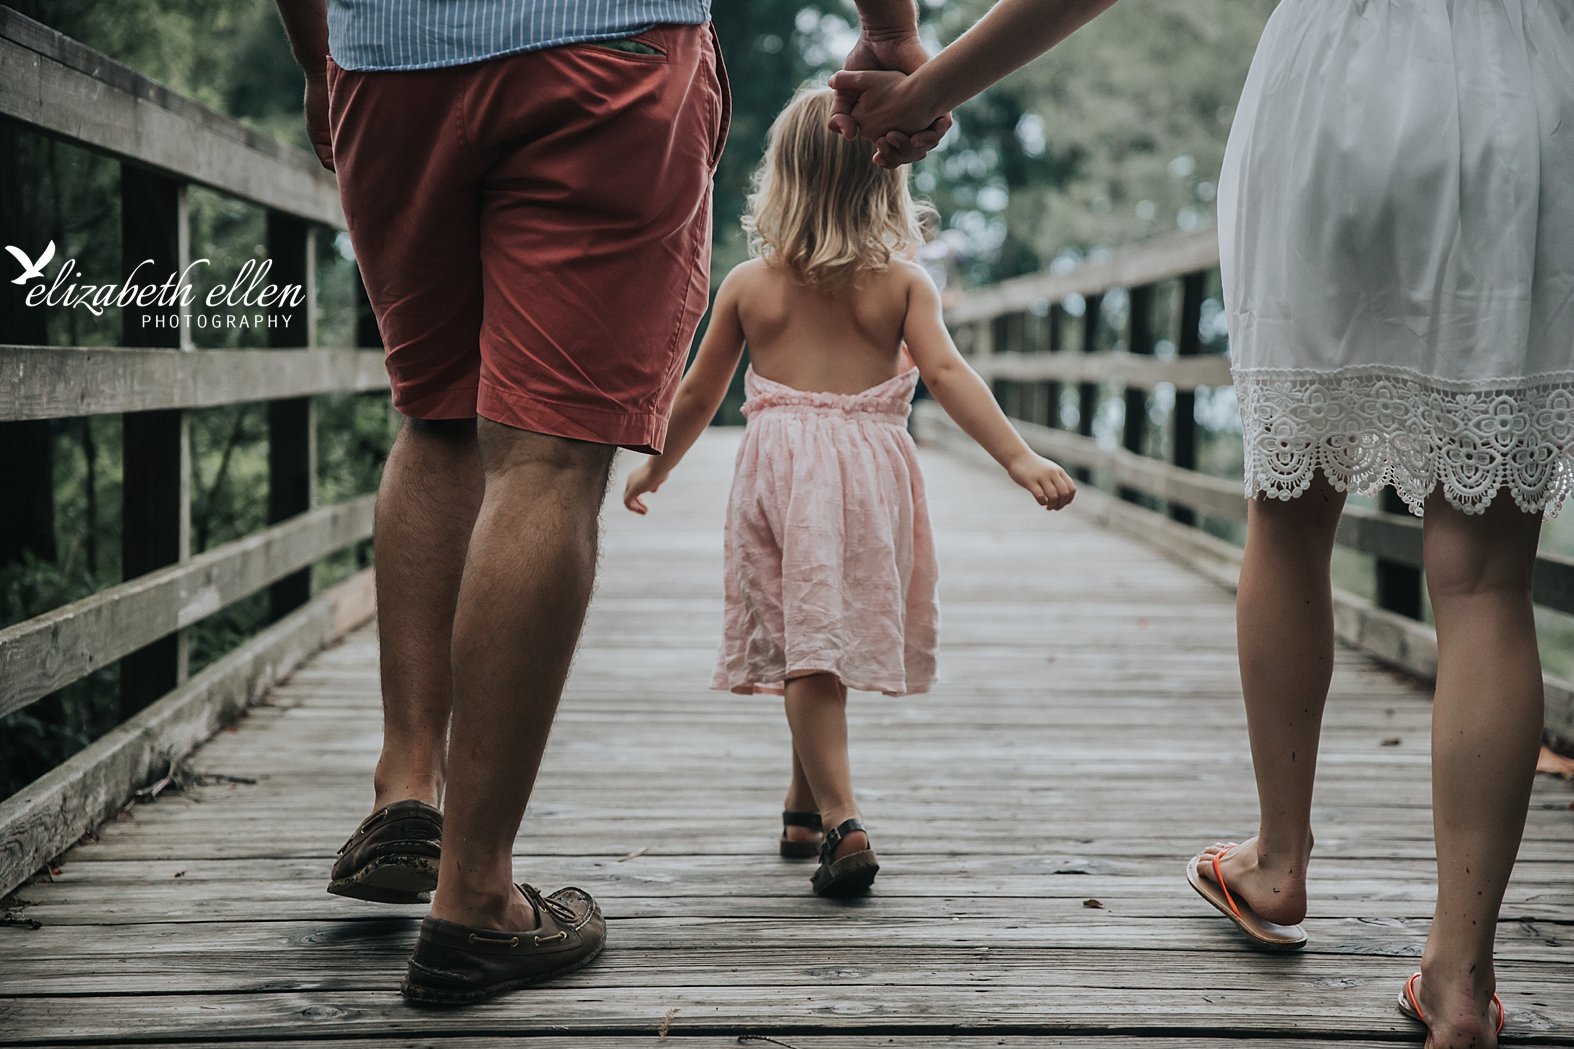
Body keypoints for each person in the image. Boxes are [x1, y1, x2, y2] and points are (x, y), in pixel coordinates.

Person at [831, 3, 1573, 1046]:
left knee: (1289, 509)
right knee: (1485, 576)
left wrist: (923, 88)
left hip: (1333, 86)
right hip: (1522, 92)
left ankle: (1276, 862)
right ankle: (1459, 977)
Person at [268, 0, 952, 1005]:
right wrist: (889, 29)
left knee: (437, 416)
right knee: (541, 459)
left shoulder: (761, 280)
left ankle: (408, 784)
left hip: (389, 56)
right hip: (603, 40)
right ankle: (474, 898)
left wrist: (319, 59)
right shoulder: (896, 282)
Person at [621, 85, 1076, 898]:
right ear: (885, 180)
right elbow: (946, 373)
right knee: (817, 634)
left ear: (784, 177)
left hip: (781, 474)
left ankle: (842, 819)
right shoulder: (904, 285)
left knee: (806, 639)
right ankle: (803, 807)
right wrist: (1017, 457)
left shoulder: (749, 285)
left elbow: (696, 394)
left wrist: (657, 464)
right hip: (871, 475)